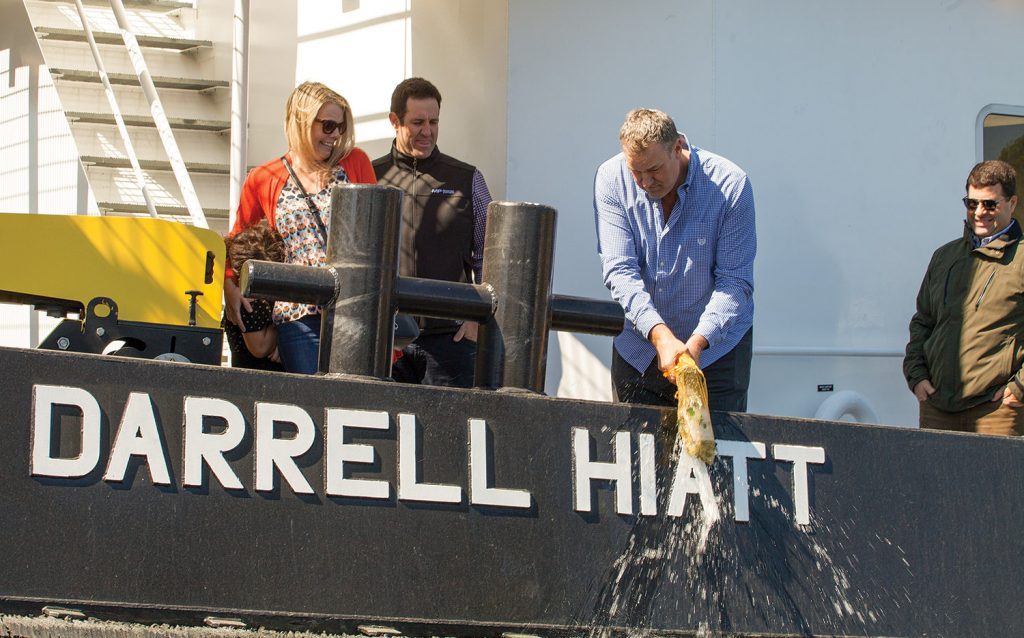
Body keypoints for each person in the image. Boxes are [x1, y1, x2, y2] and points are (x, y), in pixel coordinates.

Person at [594, 108, 756, 411]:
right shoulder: (611, 178)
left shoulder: (731, 185)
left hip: (715, 353)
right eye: (635, 171)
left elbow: (735, 281)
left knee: (716, 454)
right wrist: (660, 336)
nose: (644, 182)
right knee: (634, 457)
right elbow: (620, 271)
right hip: (639, 350)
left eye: (654, 169)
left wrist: (696, 343)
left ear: (678, 146)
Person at [225, 81, 376, 374]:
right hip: (297, 316)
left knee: (356, 402)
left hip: (351, 310)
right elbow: (237, 242)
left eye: (341, 127)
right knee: (315, 404)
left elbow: (374, 233)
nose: (335, 136)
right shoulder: (264, 178)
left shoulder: (355, 162)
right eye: (328, 126)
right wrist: (230, 287)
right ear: (301, 121)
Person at [373, 77, 492, 388]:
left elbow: (490, 255)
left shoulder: (467, 178)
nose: (427, 131)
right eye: (417, 122)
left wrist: (477, 320)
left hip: (451, 340)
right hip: (385, 340)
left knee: (452, 435)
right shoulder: (370, 178)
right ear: (394, 121)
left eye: (434, 121)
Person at [904, 160, 1023, 435]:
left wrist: (1018, 388)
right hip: (937, 406)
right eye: (972, 203)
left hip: (997, 411)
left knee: (998, 480)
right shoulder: (945, 256)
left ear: (1012, 203)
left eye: (989, 204)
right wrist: (917, 376)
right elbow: (923, 322)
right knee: (934, 479)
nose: (979, 212)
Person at [222, 220, 285, 371]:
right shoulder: (251, 301)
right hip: (259, 379)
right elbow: (260, 347)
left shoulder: (244, 294)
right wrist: (285, 336)